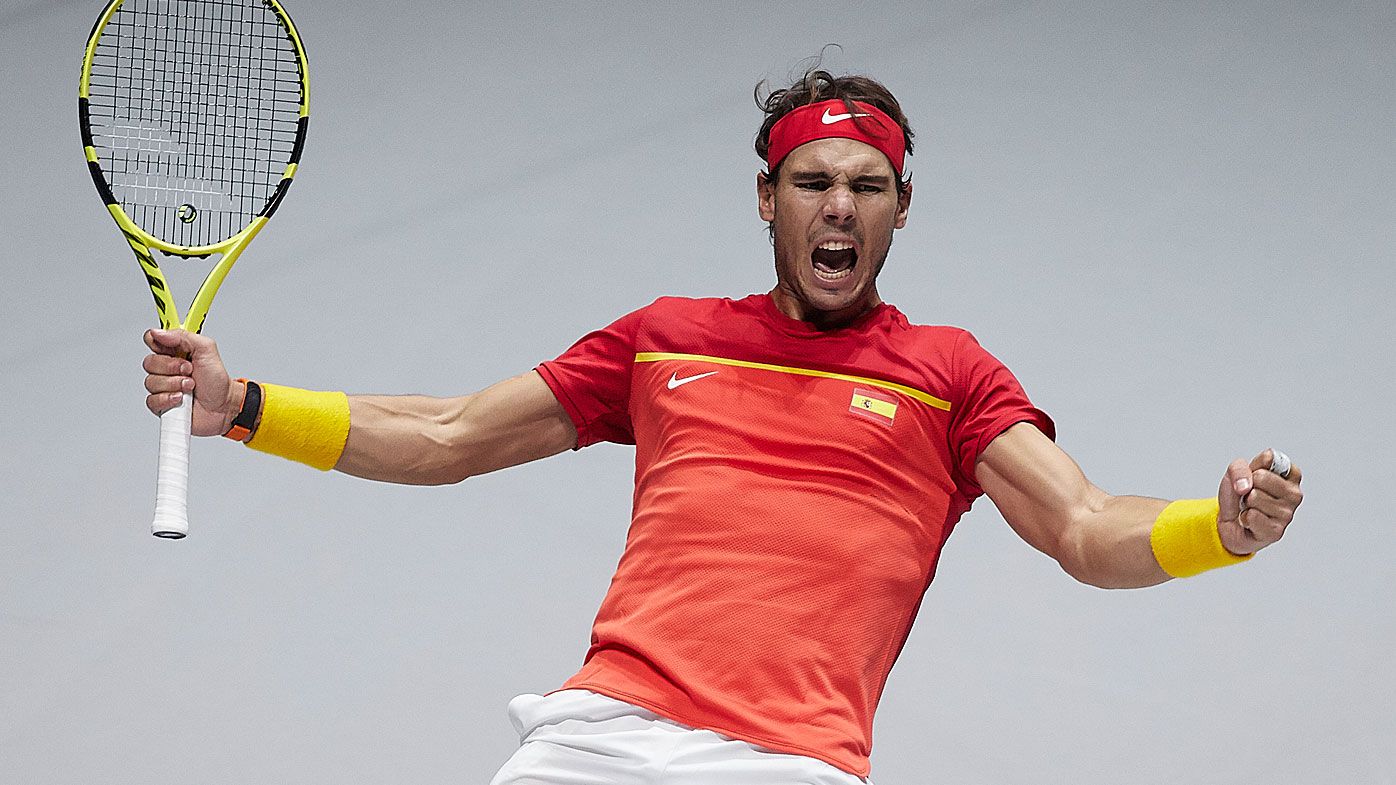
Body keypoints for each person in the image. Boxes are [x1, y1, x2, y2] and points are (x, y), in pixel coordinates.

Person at [140, 68, 1304, 784]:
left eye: (867, 185)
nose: (838, 205)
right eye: (811, 182)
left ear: (901, 208)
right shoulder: (668, 335)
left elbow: (1087, 526)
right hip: (598, 734)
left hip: (788, 763)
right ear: (766, 198)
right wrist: (243, 409)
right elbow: (449, 432)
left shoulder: (947, 374)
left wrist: (1220, 527)